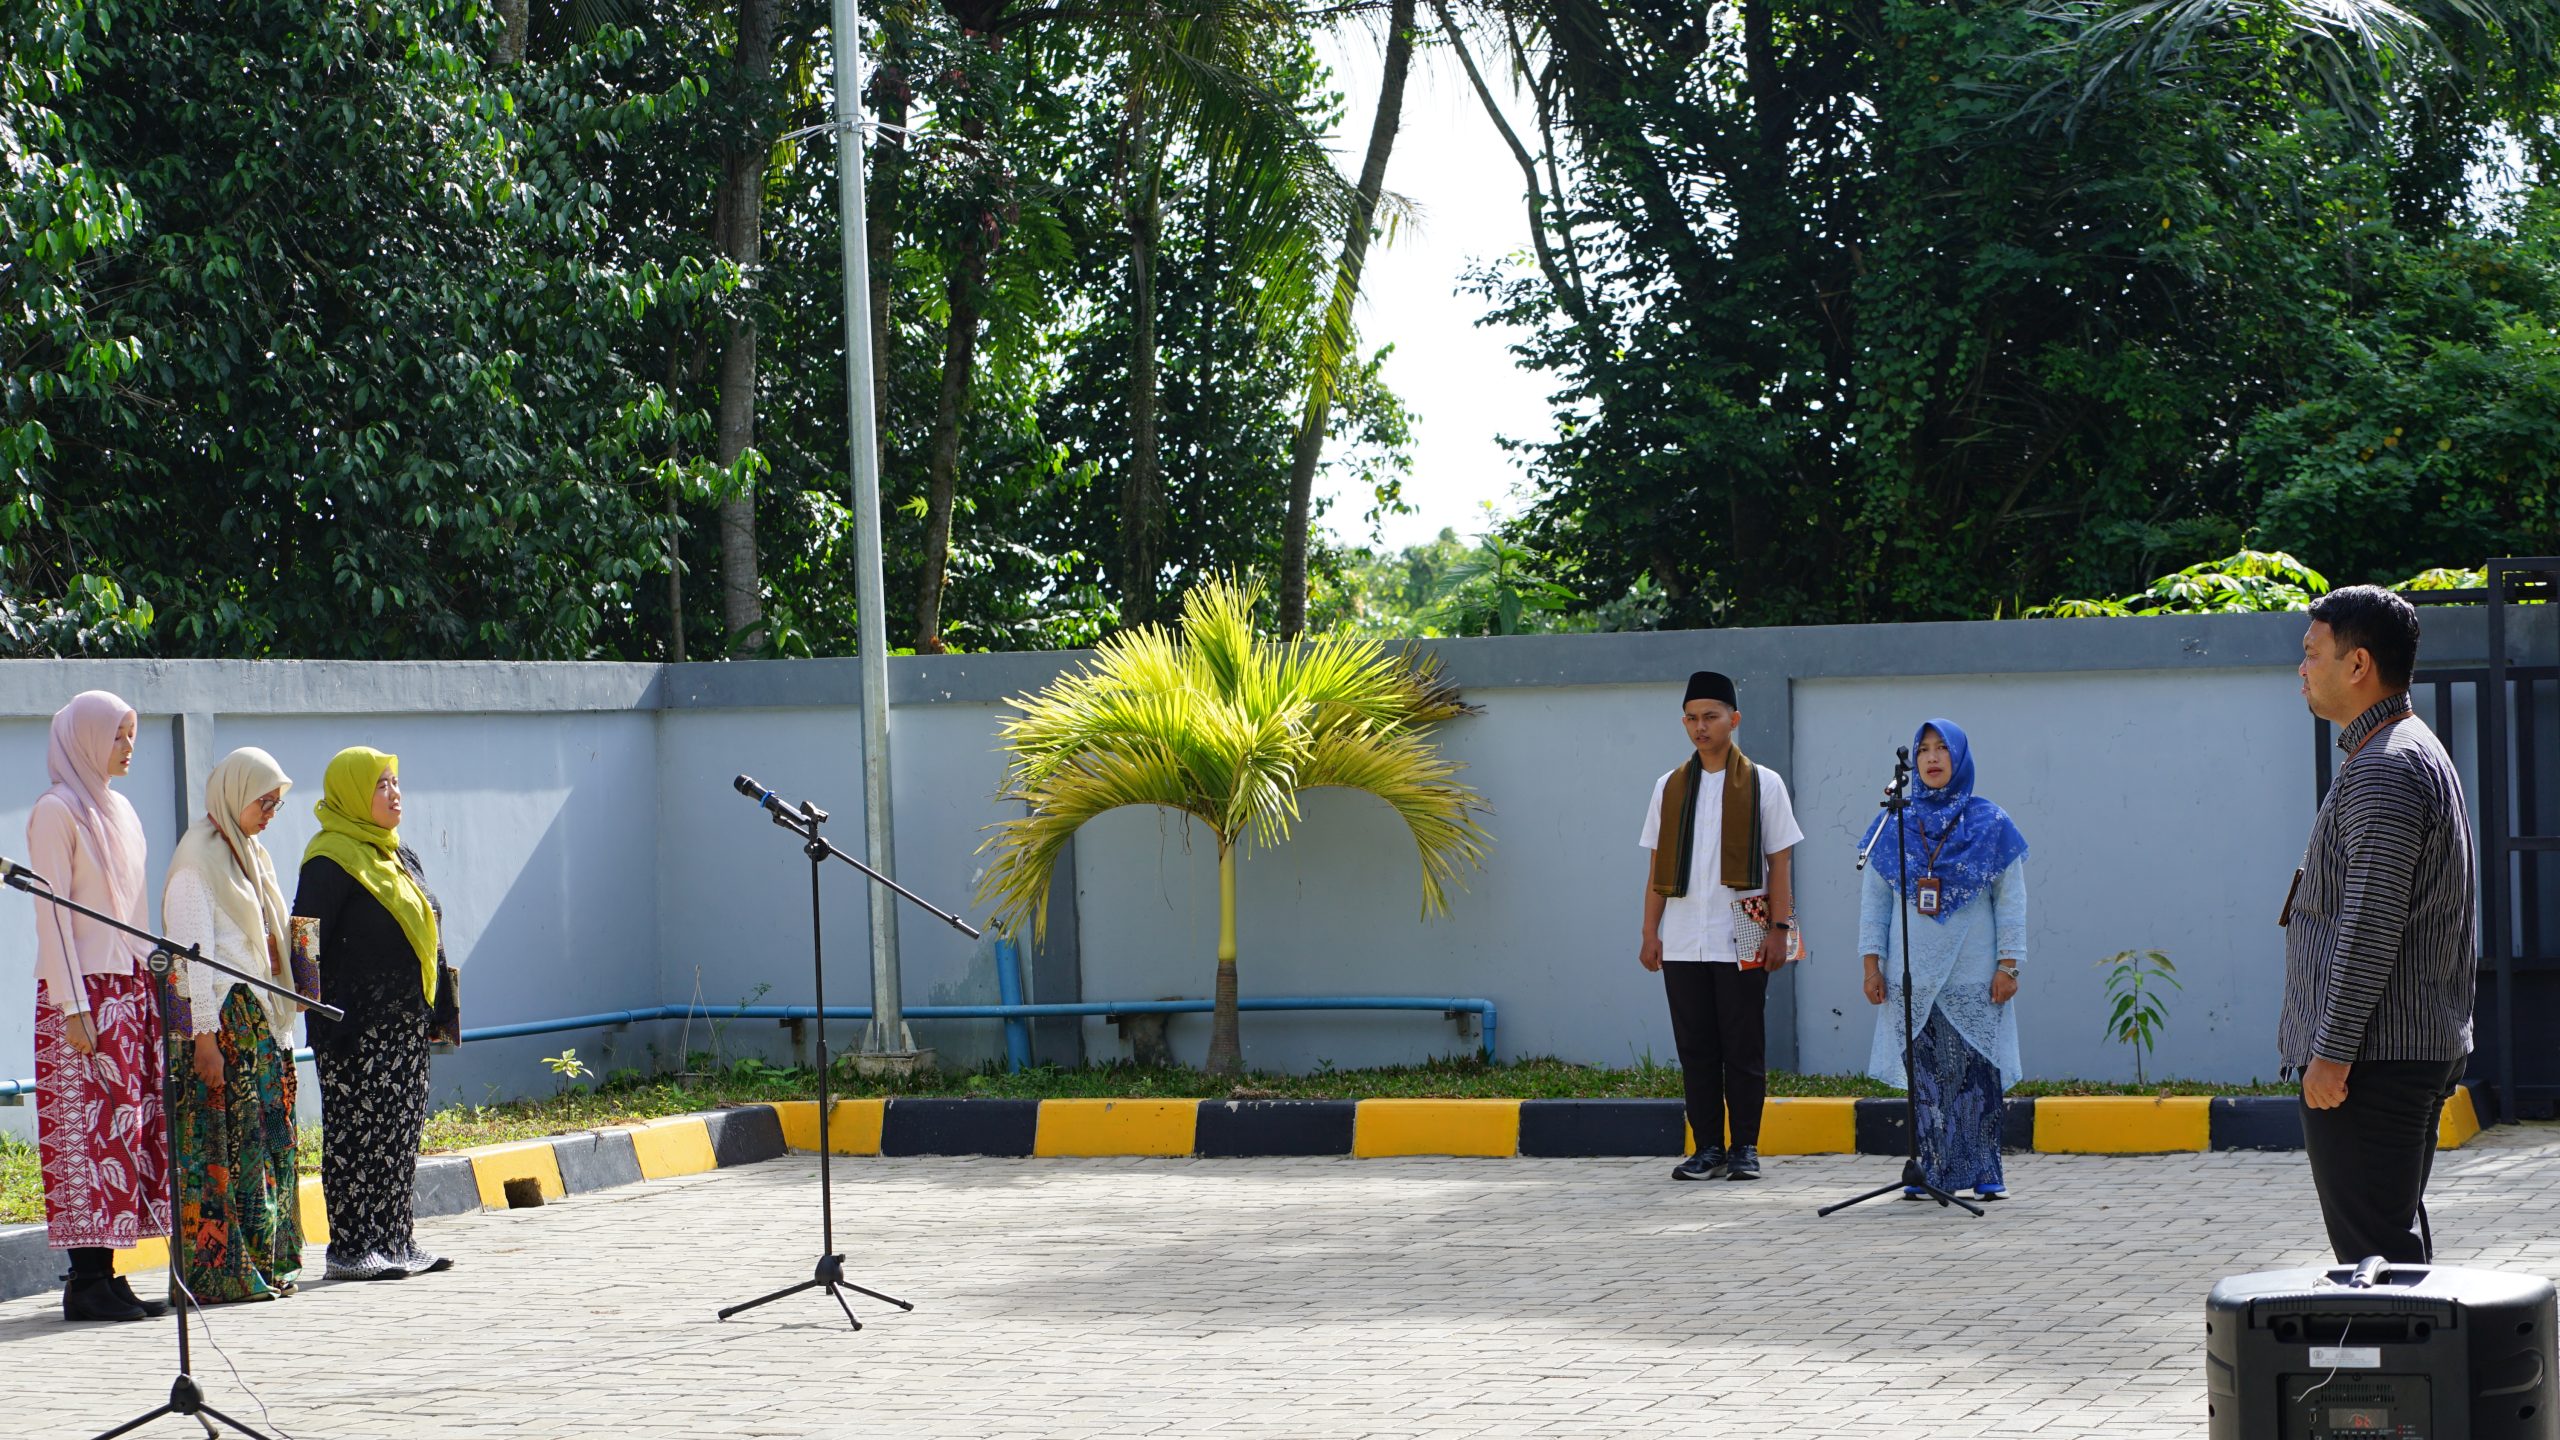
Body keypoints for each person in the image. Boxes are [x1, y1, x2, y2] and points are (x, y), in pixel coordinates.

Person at [2285, 585, 2475, 1264]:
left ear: (2358, 663)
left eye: (2313, 653)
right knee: (2389, 1249)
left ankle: (2396, 1344)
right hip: (2392, 1053)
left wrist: (2331, 1054)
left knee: (2377, 1261)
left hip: (2372, 1061)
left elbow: (2371, 922)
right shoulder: (2401, 749)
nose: (2302, 668)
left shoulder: (2386, 767)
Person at [28, 690, 172, 1321]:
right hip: (81, 996)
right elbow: (52, 914)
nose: (129, 745)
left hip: (128, 990)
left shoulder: (122, 812)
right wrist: (73, 1006)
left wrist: (151, 991)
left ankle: (107, 1276)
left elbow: (132, 913)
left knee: (123, 1132)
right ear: (85, 739)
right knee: (85, 1136)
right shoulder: (56, 812)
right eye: (117, 734)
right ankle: (84, 1281)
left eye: (132, 733)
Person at [1637, 669, 1805, 1182]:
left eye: (1710, 716)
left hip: (1745, 930)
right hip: (1683, 935)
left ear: (1734, 720)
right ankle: (1707, 1146)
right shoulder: (1668, 786)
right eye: (1691, 718)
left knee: (1743, 1046)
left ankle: (1745, 1147)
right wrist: (1650, 933)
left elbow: (1780, 863)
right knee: (1696, 1049)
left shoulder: (1764, 783)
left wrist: (1781, 929)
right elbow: (1656, 867)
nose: (1700, 727)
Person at [293, 747, 454, 1281]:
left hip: (405, 1021)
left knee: (399, 1133)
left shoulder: (399, 854)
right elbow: (305, 940)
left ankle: (395, 1240)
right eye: (381, 784)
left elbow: (429, 927)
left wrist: (439, 1009)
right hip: (353, 1027)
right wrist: (317, 1017)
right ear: (353, 793)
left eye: (395, 782)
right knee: (355, 1135)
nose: (394, 793)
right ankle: (350, 1248)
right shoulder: (329, 858)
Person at [1858, 719, 2029, 1202]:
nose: (1932, 758)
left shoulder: (1990, 823)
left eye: (1942, 749)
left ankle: (1985, 1170)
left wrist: (2009, 964)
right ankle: (1929, 1169)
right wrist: (1871, 965)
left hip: (1975, 974)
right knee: (1927, 1080)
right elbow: (1874, 903)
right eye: (1923, 749)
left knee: (1978, 1075)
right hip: (1911, 974)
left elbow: (2011, 901)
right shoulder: (1895, 823)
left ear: (1960, 757)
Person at [162, 747, 304, 1305]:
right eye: (262, 802)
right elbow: (191, 958)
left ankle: (266, 1263)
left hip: (257, 1024)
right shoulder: (196, 861)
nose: (269, 813)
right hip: (221, 1027)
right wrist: (205, 1039)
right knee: (227, 1153)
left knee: (265, 1147)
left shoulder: (250, 854)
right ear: (233, 794)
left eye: (276, 804)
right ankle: (223, 1274)